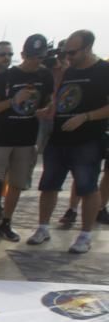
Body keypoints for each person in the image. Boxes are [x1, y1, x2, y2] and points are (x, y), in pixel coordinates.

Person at [27, 30, 109, 254]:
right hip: (59, 138)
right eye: (66, 52)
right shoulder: (68, 71)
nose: (68, 56)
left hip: (87, 141)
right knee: (48, 185)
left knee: (87, 187)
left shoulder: (103, 70)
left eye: (72, 52)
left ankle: (85, 235)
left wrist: (86, 116)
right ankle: (42, 228)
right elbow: (61, 99)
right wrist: (48, 110)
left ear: (88, 48)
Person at [0, 34, 55, 243]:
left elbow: (49, 101)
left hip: (26, 139)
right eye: (32, 57)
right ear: (23, 55)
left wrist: (46, 109)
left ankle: (6, 221)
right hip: (0, 138)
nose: (35, 61)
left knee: (17, 183)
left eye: (39, 57)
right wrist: (13, 100)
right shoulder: (6, 76)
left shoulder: (45, 76)